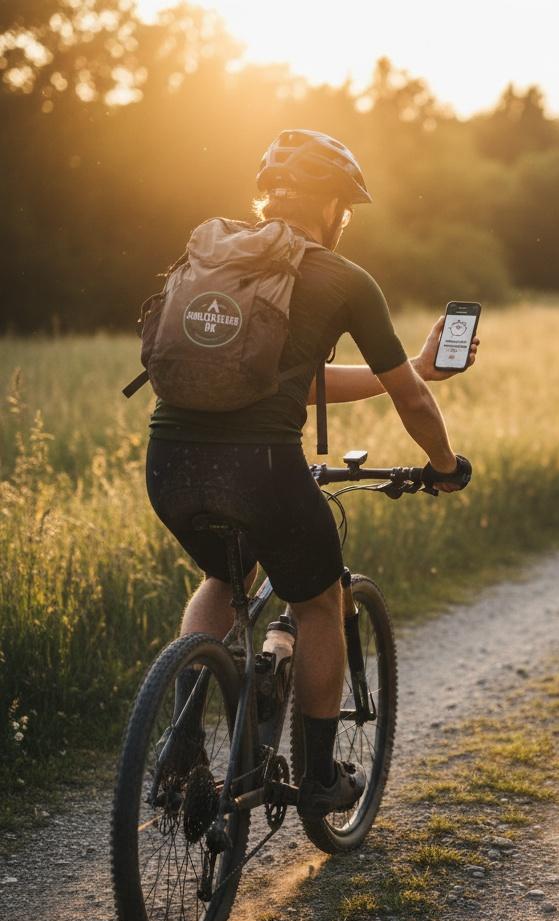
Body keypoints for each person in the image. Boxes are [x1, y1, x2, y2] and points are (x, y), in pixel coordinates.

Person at [145, 129, 475, 816]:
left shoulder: (211, 252)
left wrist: (407, 368)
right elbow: (414, 402)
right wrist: (446, 465)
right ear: (332, 208)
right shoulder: (343, 278)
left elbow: (299, 374)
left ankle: (180, 742)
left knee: (219, 576)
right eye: (346, 210)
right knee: (320, 600)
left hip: (169, 461)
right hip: (262, 469)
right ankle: (320, 776)